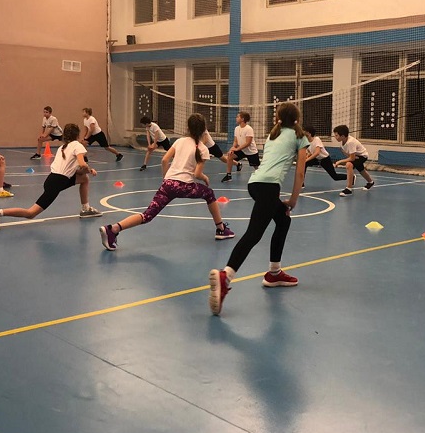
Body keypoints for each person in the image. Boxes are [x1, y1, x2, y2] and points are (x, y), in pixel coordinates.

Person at [209, 102, 308, 316]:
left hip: (256, 184)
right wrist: (293, 200)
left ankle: (274, 273)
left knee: (283, 221)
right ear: (297, 119)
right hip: (268, 187)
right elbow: (300, 173)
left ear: (278, 118)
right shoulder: (300, 137)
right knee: (254, 234)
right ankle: (226, 276)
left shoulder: (273, 135)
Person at [99, 113, 234, 251]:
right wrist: (205, 178)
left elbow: (164, 160)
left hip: (168, 184)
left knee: (147, 215)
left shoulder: (179, 141)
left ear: (188, 127)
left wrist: (166, 179)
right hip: (185, 186)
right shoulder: (203, 149)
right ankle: (221, 229)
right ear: (204, 129)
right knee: (209, 193)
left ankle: (113, 229)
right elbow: (197, 174)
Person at [0, 124, 102, 230]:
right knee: (31, 213)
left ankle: (85, 208)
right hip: (57, 183)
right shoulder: (77, 145)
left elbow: (76, 170)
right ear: (77, 135)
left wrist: (86, 171)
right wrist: (89, 169)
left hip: (53, 179)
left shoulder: (62, 148)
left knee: (84, 179)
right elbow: (82, 164)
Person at [332, 125, 374, 197]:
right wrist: (352, 157)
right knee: (361, 170)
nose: (335, 137)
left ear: (342, 136)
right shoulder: (343, 143)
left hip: (362, 156)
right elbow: (349, 155)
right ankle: (370, 182)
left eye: (336, 135)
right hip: (356, 156)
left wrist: (339, 162)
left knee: (349, 165)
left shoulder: (350, 142)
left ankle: (349, 189)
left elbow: (351, 159)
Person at [221, 111, 259, 183]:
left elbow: (248, 143)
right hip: (242, 150)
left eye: (238, 117)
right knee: (230, 156)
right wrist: (232, 148)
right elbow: (235, 141)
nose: (236, 118)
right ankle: (228, 175)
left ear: (242, 119)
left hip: (251, 151)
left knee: (257, 167)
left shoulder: (249, 129)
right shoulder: (236, 128)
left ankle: (262, 177)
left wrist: (237, 148)